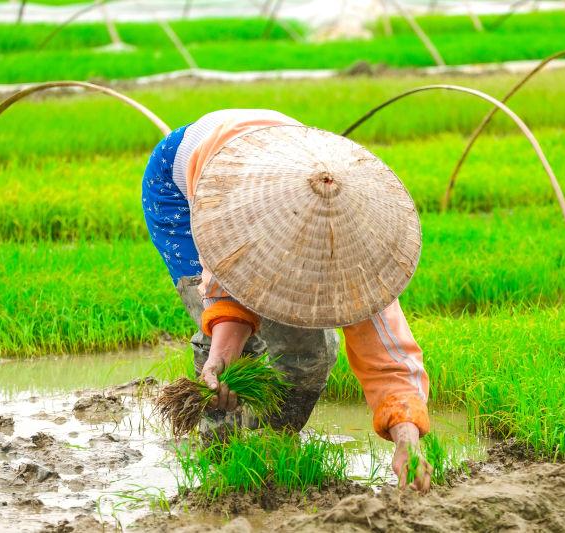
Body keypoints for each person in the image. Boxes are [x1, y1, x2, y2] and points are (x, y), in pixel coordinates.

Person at [142, 109, 431, 491]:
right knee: (233, 354)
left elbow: (389, 359)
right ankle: (220, 453)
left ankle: (273, 441)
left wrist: (407, 441)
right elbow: (227, 290)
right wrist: (223, 356)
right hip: (187, 183)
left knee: (312, 351)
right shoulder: (233, 217)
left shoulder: (364, 259)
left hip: (284, 162)